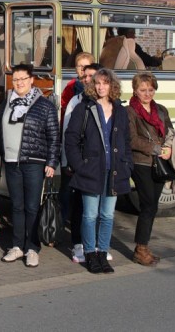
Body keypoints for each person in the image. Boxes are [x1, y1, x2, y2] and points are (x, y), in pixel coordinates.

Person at [65, 68, 133, 274]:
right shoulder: (84, 109)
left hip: (115, 171)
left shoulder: (120, 110)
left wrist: (127, 164)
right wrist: (79, 166)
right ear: (92, 86)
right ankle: (90, 255)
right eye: (98, 83)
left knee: (107, 215)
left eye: (105, 83)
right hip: (91, 171)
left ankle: (103, 253)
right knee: (89, 215)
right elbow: (71, 140)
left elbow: (127, 142)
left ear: (112, 85)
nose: (101, 87)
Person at [0, 63, 60, 268]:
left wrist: (51, 162)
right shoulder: (7, 103)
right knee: (17, 206)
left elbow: (54, 136)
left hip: (34, 162)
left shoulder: (44, 105)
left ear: (32, 80)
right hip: (12, 163)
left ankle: (32, 247)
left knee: (32, 206)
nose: (19, 83)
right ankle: (17, 246)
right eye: (16, 80)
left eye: (23, 79)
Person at [127, 72, 174, 266]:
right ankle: (140, 249)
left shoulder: (161, 110)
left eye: (151, 90)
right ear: (135, 91)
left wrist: (169, 147)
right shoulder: (130, 111)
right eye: (143, 90)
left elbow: (170, 131)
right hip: (141, 162)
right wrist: (155, 148)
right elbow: (131, 139)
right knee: (148, 205)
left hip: (160, 163)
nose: (147, 94)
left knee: (153, 205)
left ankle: (144, 245)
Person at [61, 63, 101, 263]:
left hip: (100, 164)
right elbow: (68, 134)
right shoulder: (76, 101)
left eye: (91, 76)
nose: (86, 79)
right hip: (80, 163)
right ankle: (78, 244)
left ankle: (94, 244)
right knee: (79, 205)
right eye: (84, 76)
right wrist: (69, 162)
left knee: (97, 207)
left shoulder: (109, 103)